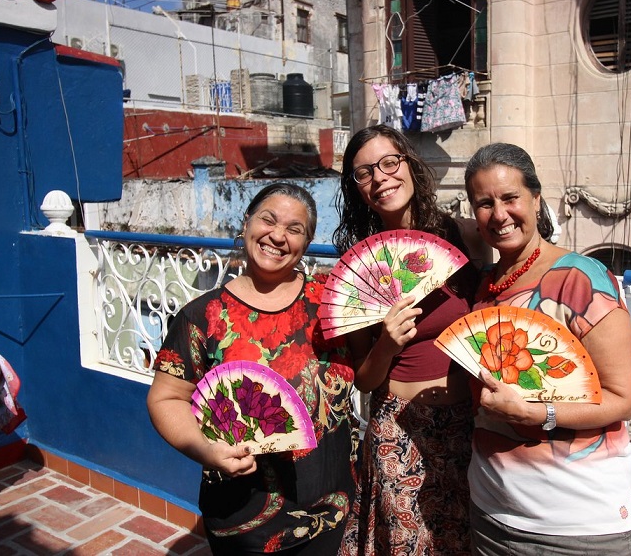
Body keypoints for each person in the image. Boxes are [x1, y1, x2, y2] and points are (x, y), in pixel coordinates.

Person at [147, 183, 358, 555]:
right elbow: (166, 398)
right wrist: (206, 450)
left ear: (306, 244)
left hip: (333, 508)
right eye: (268, 220)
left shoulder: (331, 305)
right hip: (243, 517)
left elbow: (369, 372)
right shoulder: (203, 317)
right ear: (246, 223)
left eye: (295, 230)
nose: (278, 235)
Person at [463, 143, 631, 555]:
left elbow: (621, 399)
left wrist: (536, 412)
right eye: (484, 203)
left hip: (577, 522)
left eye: (511, 198)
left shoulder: (580, 279)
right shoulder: (485, 283)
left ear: (537, 199)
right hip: (493, 513)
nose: (499, 214)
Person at [335, 124, 478, 555]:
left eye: (389, 163)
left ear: (410, 166)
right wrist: (388, 344)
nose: (380, 178)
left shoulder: (466, 237)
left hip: (468, 426)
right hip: (397, 430)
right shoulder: (357, 268)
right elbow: (363, 378)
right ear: (357, 188)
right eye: (364, 173)